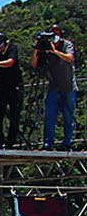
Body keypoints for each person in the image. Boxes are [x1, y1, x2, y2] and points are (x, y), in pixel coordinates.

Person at [34, 21, 76, 149]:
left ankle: (67, 143)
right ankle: (48, 142)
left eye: (56, 33)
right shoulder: (46, 47)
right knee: (50, 117)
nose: (55, 35)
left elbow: (69, 58)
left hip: (69, 87)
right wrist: (37, 48)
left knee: (68, 117)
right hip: (53, 87)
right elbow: (35, 64)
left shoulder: (67, 44)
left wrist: (54, 51)